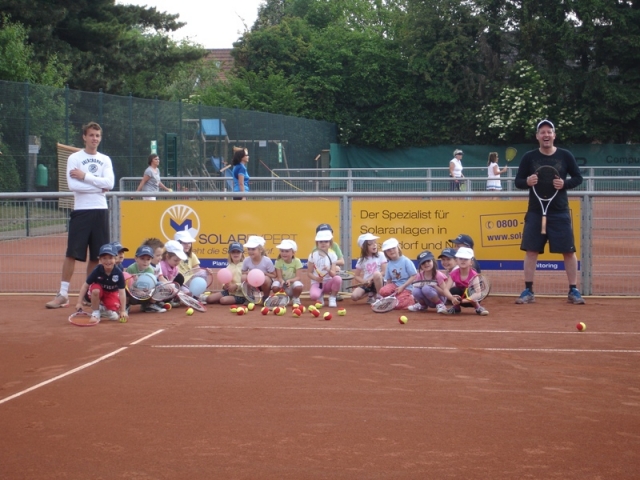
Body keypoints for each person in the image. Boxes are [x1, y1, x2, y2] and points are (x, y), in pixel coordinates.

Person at [514, 119, 585, 305]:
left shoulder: (565, 155)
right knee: (531, 251)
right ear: (537, 136)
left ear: (554, 135)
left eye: (549, 131)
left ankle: (573, 290)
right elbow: (518, 181)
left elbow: (578, 178)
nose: (546, 135)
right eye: (542, 132)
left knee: (569, 252)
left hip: (559, 212)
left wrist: (565, 184)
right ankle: (528, 290)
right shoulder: (529, 157)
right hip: (536, 211)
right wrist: (527, 182)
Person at [46, 121, 115, 309]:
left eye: (98, 136)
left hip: (100, 211)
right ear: (84, 137)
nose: (95, 139)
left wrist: (85, 176)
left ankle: (87, 294)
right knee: (72, 253)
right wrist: (99, 186)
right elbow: (73, 186)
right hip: (81, 211)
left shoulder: (105, 159)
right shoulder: (74, 158)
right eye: (91, 135)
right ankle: (63, 294)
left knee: (96, 255)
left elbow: (110, 183)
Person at [76, 244, 127, 323]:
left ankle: (104, 309)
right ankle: (96, 312)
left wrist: (123, 310)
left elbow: (122, 292)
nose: (108, 261)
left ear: (115, 258)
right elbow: (85, 286)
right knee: (96, 290)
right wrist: (79, 302)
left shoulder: (119, 273)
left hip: (111, 293)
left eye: (110, 258)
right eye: (104, 258)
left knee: (114, 315)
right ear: (100, 259)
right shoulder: (97, 270)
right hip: (98, 291)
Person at [441, 247, 489, 316]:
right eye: (460, 258)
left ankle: (478, 308)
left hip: (472, 300)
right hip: (459, 299)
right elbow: (446, 290)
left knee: (470, 290)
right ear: (457, 260)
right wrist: (452, 298)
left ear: (471, 262)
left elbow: (478, 294)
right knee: (454, 290)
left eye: (466, 259)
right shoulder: (453, 273)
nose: (463, 261)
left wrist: (464, 300)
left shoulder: (474, 275)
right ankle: (456, 308)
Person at [377, 238, 417, 310]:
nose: (391, 251)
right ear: (386, 253)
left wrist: (402, 286)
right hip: (395, 286)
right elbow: (388, 280)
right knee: (383, 291)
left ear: (398, 248)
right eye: (388, 250)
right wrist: (386, 296)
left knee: (398, 304)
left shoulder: (406, 261)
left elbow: (414, 276)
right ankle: (396, 298)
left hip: (407, 287)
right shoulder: (389, 264)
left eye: (393, 248)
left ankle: (411, 298)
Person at [126, 245, 166, 313]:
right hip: (133, 296)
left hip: (146, 295)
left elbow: (151, 285)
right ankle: (125, 306)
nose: (145, 261)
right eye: (142, 258)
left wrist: (147, 291)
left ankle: (149, 305)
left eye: (148, 259)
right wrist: (137, 290)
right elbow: (127, 286)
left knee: (160, 285)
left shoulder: (150, 269)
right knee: (123, 288)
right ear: (136, 258)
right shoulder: (130, 269)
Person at [307, 230, 342, 307]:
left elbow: (333, 274)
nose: (323, 243)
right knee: (314, 296)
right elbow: (309, 273)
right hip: (317, 283)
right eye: (320, 241)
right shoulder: (312, 255)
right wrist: (316, 278)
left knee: (338, 279)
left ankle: (332, 298)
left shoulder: (333, 255)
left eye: (326, 241)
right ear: (317, 243)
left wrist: (328, 270)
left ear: (330, 243)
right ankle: (320, 296)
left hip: (328, 283)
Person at [351, 233, 386, 304]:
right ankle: (371, 294)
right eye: (370, 243)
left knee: (376, 274)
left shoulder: (381, 255)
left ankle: (380, 296)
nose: (374, 245)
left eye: (375, 242)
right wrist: (364, 281)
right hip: (368, 284)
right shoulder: (361, 260)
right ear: (363, 247)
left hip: (380, 282)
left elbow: (384, 272)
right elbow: (356, 276)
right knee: (354, 296)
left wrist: (371, 279)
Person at [272, 239, 304, 306]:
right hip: (283, 286)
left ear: (293, 252)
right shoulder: (278, 262)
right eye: (282, 251)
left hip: (293, 286)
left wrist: (290, 280)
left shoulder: (297, 261)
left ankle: (295, 298)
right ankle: (282, 297)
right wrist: (282, 281)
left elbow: (298, 277)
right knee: (275, 286)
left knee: (298, 286)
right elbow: (279, 277)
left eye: (287, 251)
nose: (284, 253)